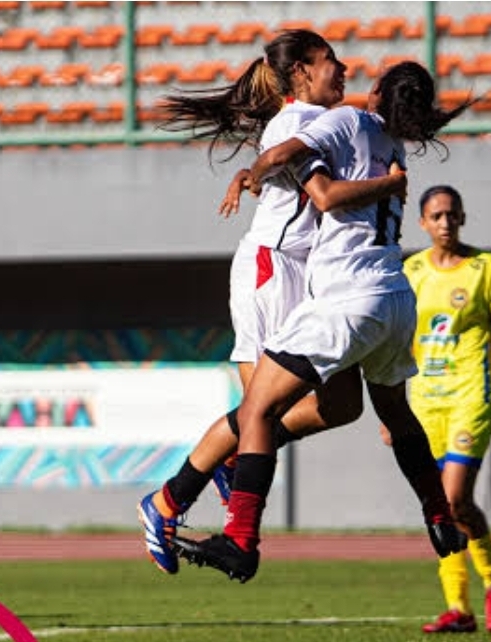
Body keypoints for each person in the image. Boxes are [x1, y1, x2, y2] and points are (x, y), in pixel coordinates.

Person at [176, 61, 474, 583]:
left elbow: (289, 158)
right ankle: (439, 515)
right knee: (395, 412)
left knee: (257, 410)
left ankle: (240, 539)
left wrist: (255, 173)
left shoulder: (348, 120)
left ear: (376, 91)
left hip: (347, 297)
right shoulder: (394, 148)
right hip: (394, 296)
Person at [138, 30, 408, 575]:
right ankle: (168, 500)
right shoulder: (297, 123)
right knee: (256, 409)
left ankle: (230, 461)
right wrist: (389, 184)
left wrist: (253, 173)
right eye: (330, 60)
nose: (343, 68)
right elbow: (321, 192)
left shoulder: (320, 121)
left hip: (313, 275)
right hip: (274, 266)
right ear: (302, 71)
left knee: (341, 406)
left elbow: (276, 166)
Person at [380, 185, 491, 633]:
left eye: (452, 215)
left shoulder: (484, 266)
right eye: (436, 216)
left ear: (463, 218)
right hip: (424, 400)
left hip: (470, 395)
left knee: (455, 497)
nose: (445, 223)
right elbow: (397, 338)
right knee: (439, 504)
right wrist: (391, 408)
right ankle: (459, 607)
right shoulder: (412, 270)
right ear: (422, 222)